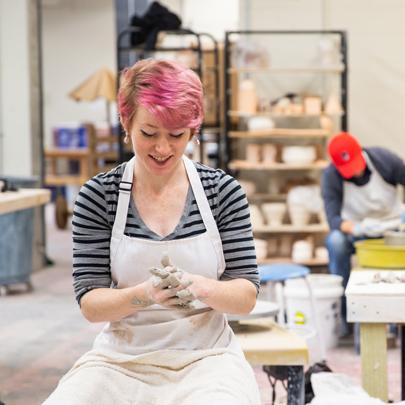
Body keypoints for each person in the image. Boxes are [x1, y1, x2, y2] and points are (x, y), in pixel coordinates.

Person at [44, 59, 261, 405]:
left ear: (193, 130)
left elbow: (246, 296)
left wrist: (198, 287)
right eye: (149, 133)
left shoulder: (222, 192)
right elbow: (91, 304)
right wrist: (146, 294)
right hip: (122, 359)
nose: (162, 149)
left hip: (206, 358)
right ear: (126, 123)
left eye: (176, 135)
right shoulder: (100, 196)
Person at [321, 131, 405, 334]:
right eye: (345, 169)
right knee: (335, 242)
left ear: (361, 152)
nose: (351, 172)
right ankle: (345, 318)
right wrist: (359, 228)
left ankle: (397, 316)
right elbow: (333, 220)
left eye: (354, 164)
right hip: (356, 230)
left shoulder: (384, 160)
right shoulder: (331, 175)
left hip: (391, 227)